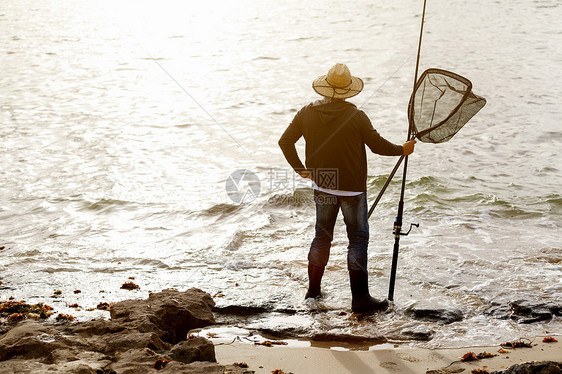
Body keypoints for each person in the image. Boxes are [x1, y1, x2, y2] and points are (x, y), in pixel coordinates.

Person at [278, 63, 416, 313]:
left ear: (325, 87)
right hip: (352, 187)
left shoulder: (306, 112)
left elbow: (285, 141)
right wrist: (402, 149)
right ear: (347, 90)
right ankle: (360, 299)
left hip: (324, 182)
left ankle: (313, 292)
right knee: (358, 239)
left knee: (322, 236)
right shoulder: (356, 115)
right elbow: (377, 145)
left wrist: (301, 169)